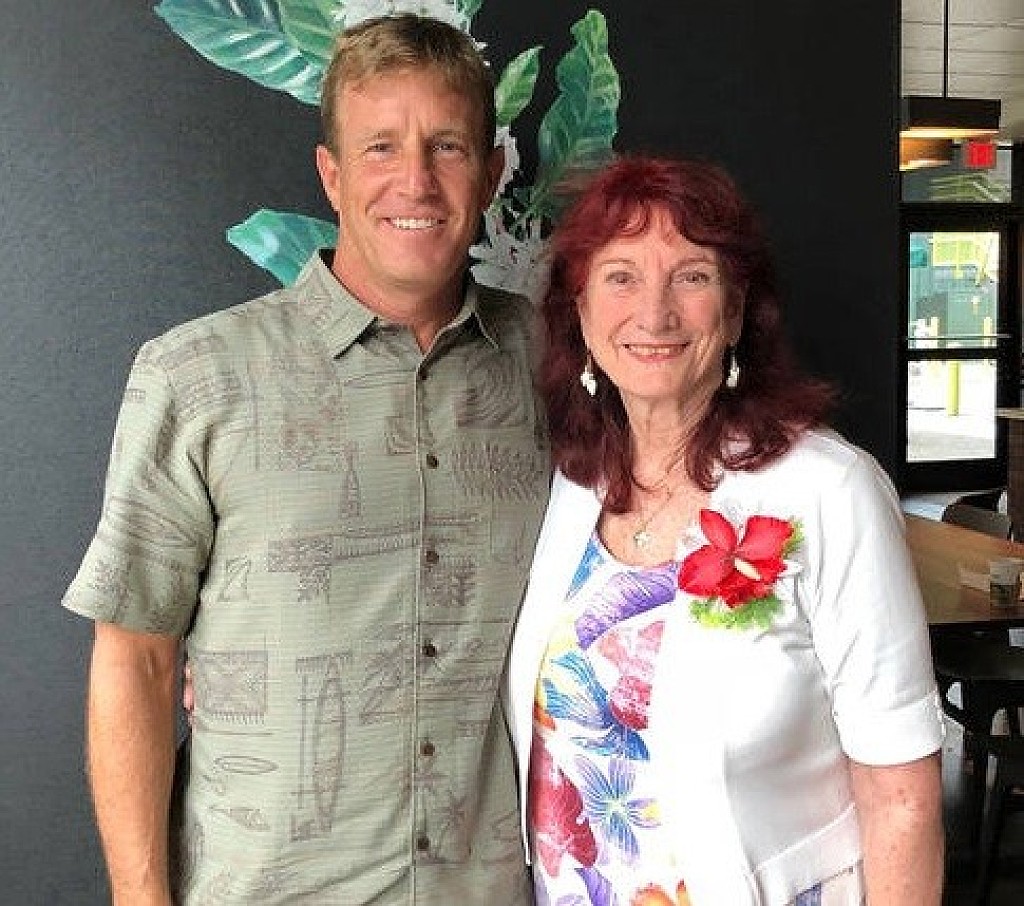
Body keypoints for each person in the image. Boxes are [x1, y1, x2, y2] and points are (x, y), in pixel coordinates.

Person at [63, 14, 549, 905]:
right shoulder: (196, 376)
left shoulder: (556, 364)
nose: (415, 180)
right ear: (331, 174)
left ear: (490, 174)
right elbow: (136, 659)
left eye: (446, 146)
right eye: (379, 146)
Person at [507, 155, 945, 905]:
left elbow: (900, 790)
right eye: (620, 276)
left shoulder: (829, 490)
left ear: (736, 312)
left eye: (691, 276)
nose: (654, 314)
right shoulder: (568, 485)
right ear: (579, 311)